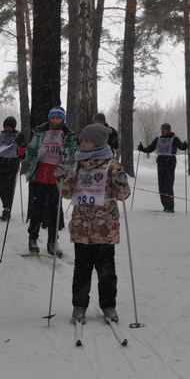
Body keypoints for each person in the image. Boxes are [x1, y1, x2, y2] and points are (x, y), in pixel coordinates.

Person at [60, 122, 131, 322]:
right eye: (82, 140)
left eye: (87, 140)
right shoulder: (77, 164)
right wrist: (63, 180)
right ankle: (79, 306)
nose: (83, 143)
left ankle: (108, 306)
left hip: (105, 226)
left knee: (106, 270)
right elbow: (67, 193)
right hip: (82, 225)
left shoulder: (112, 165)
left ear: (98, 143)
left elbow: (122, 195)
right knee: (81, 269)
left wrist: (121, 183)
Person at [22, 106, 78, 256]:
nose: (55, 120)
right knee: (37, 209)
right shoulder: (40, 131)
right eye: (52, 117)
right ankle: (33, 238)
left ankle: (53, 242)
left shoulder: (68, 134)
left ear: (63, 119)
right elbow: (31, 150)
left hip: (57, 177)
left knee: (54, 211)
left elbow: (73, 154)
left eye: (58, 118)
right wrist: (22, 151)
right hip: (40, 175)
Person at [136, 123, 188, 213]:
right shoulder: (158, 139)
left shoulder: (174, 138)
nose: (162, 131)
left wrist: (184, 145)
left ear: (168, 130)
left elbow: (181, 147)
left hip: (170, 164)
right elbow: (150, 148)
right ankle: (165, 206)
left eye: (164, 129)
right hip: (161, 164)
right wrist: (142, 149)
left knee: (168, 185)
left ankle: (170, 207)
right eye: (161, 129)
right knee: (161, 186)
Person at [0, 115, 27, 221]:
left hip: (13, 161)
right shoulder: (0, 134)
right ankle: (5, 205)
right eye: (6, 126)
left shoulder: (18, 134)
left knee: (10, 185)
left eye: (10, 127)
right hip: (2, 161)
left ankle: (7, 209)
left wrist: (21, 147)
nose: (8, 129)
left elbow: (23, 150)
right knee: (1, 185)